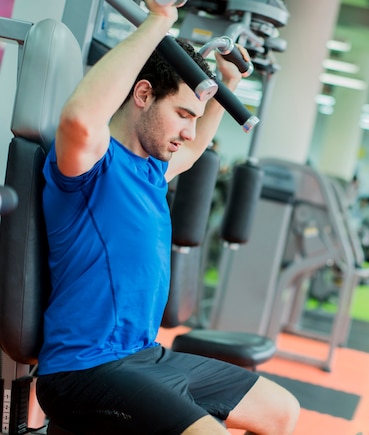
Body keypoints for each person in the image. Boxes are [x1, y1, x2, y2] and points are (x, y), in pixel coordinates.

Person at [35, 2, 299, 434]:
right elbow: (80, 118)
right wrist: (160, 20)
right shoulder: (90, 164)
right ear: (143, 95)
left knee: (281, 410)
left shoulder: (152, 170)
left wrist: (225, 80)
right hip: (86, 369)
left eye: (194, 119)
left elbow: (194, 152)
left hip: (146, 356)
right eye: (182, 114)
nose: (189, 133)